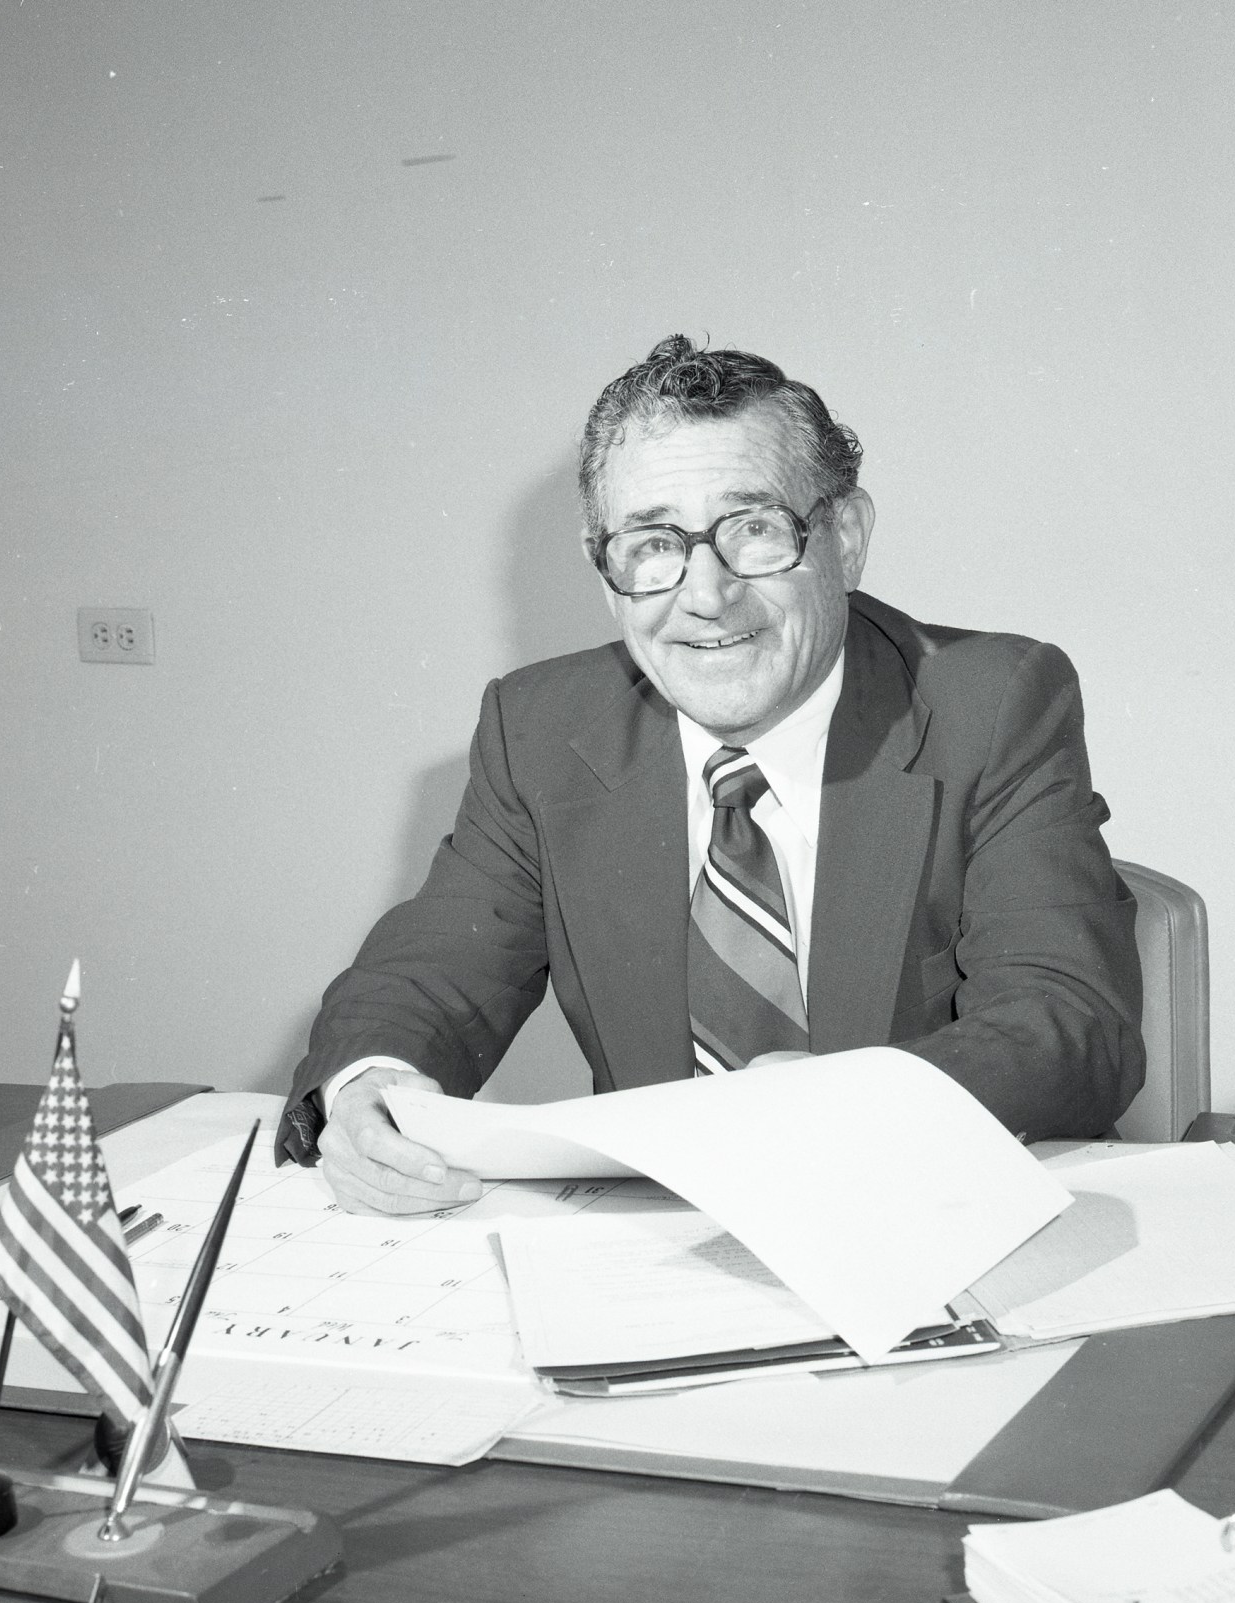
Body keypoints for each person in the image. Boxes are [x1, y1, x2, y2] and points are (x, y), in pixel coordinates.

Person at [279, 336, 1143, 1213]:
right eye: (654, 542)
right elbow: (430, 973)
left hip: (933, 1216)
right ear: (607, 574)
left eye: (754, 530)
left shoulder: (989, 705)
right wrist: (367, 1087)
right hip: (669, 1243)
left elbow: (1069, 1020)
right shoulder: (541, 729)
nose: (706, 594)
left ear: (844, 539)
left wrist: (859, 1102)